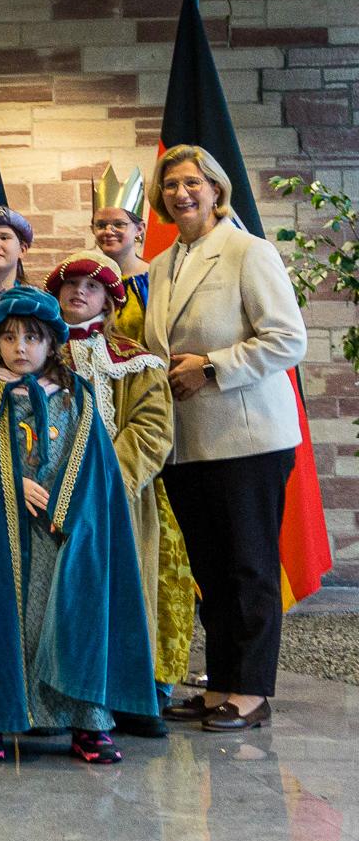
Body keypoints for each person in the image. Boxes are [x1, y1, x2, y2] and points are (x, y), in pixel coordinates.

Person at [0, 287, 156, 764]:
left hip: (65, 533)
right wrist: (9, 483)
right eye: (10, 337)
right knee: (4, 621)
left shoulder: (77, 397)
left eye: (32, 338)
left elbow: (97, 465)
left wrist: (63, 504)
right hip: (4, 533)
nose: (20, 348)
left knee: (74, 620)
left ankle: (86, 724)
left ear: (51, 344)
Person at [142, 145, 308, 733]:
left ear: (217, 190)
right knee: (210, 571)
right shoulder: (160, 266)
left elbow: (288, 340)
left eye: (192, 183)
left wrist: (211, 365)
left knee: (249, 566)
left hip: (247, 439)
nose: (181, 194)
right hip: (185, 444)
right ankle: (221, 686)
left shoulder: (247, 251)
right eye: (170, 186)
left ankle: (253, 690)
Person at [48, 251, 193, 737]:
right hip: (49, 497)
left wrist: (106, 479)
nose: (78, 292)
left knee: (124, 589)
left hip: (123, 499)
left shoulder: (138, 361)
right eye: (69, 285)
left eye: (91, 287)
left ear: (109, 303)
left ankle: (131, 695)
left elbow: (152, 429)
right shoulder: (35, 354)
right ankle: (60, 698)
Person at [89, 165, 155, 342]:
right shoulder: (86, 279)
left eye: (119, 224)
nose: (109, 231)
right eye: (101, 225)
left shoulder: (155, 279)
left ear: (139, 229)